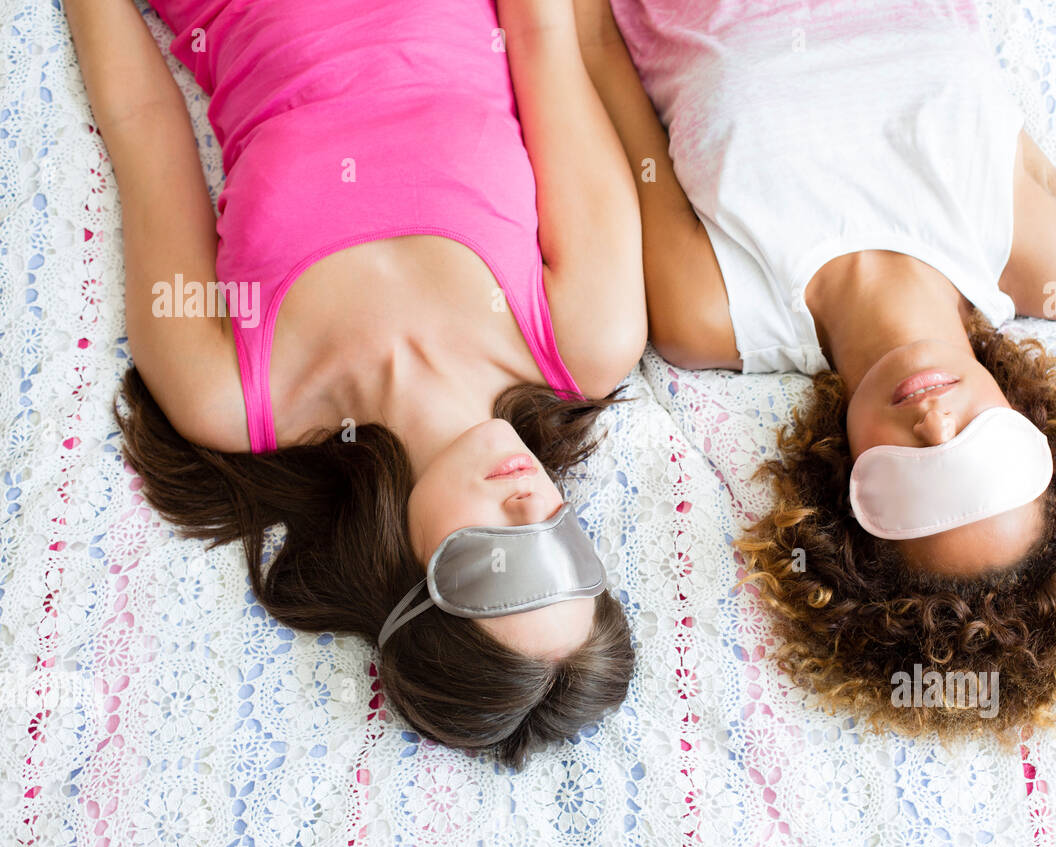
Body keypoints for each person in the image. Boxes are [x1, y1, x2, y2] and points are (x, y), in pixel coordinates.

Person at [575, 0, 1056, 738]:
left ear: (844, 502)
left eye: (920, 482)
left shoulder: (709, 311)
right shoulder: (1050, 255)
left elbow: (596, 50)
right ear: (1040, 429)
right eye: (983, 459)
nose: (936, 423)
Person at [65, 0, 647, 767]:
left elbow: (143, 123)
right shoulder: (589, 333)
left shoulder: (230, 395)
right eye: (566, 544)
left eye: (498, 561)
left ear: (403, 577)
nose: (532, 502)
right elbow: (543, 37)